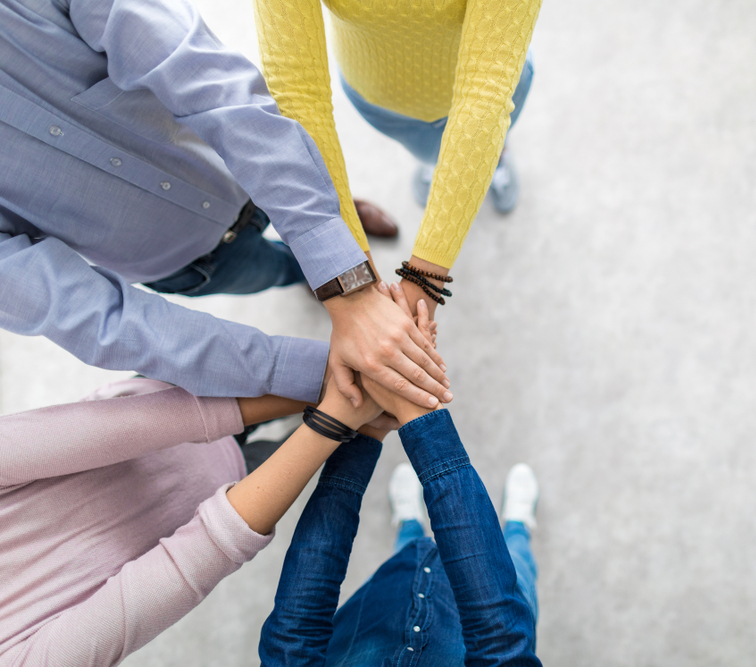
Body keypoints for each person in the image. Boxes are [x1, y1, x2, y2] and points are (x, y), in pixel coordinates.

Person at [0, 0, 450, 410]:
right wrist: (304, 369)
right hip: (188, 260)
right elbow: (91, 316)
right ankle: (303, 271)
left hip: (237, 161)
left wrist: (344, 279)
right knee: (278, 269)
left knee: (309, 190)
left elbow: (212, 85)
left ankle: (341, 219)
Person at [0, 348, 397, 665]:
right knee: (334, 417)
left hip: (162, 407)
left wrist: (338, 383)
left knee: (328, 379)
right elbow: (182, 566)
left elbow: (107, 430)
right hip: (226, 497)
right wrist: (338, 411)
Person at [252, 0, 542, 320]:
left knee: (492, 137)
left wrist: (424, 282)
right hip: (379, 98)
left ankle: (495, 160)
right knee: (430, 152)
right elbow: (297, 95)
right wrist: (357, 277)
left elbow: (486, 92)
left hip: (494, 83)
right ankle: (438, 164)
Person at [259, 357, 542, 665]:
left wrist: (364, 432)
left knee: (409, 551)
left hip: (388, 596)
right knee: (515, 563)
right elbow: (501, 645)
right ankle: (517, 524)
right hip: (485, 596)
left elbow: (293, 642)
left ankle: (409, 522)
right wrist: (420, 419)